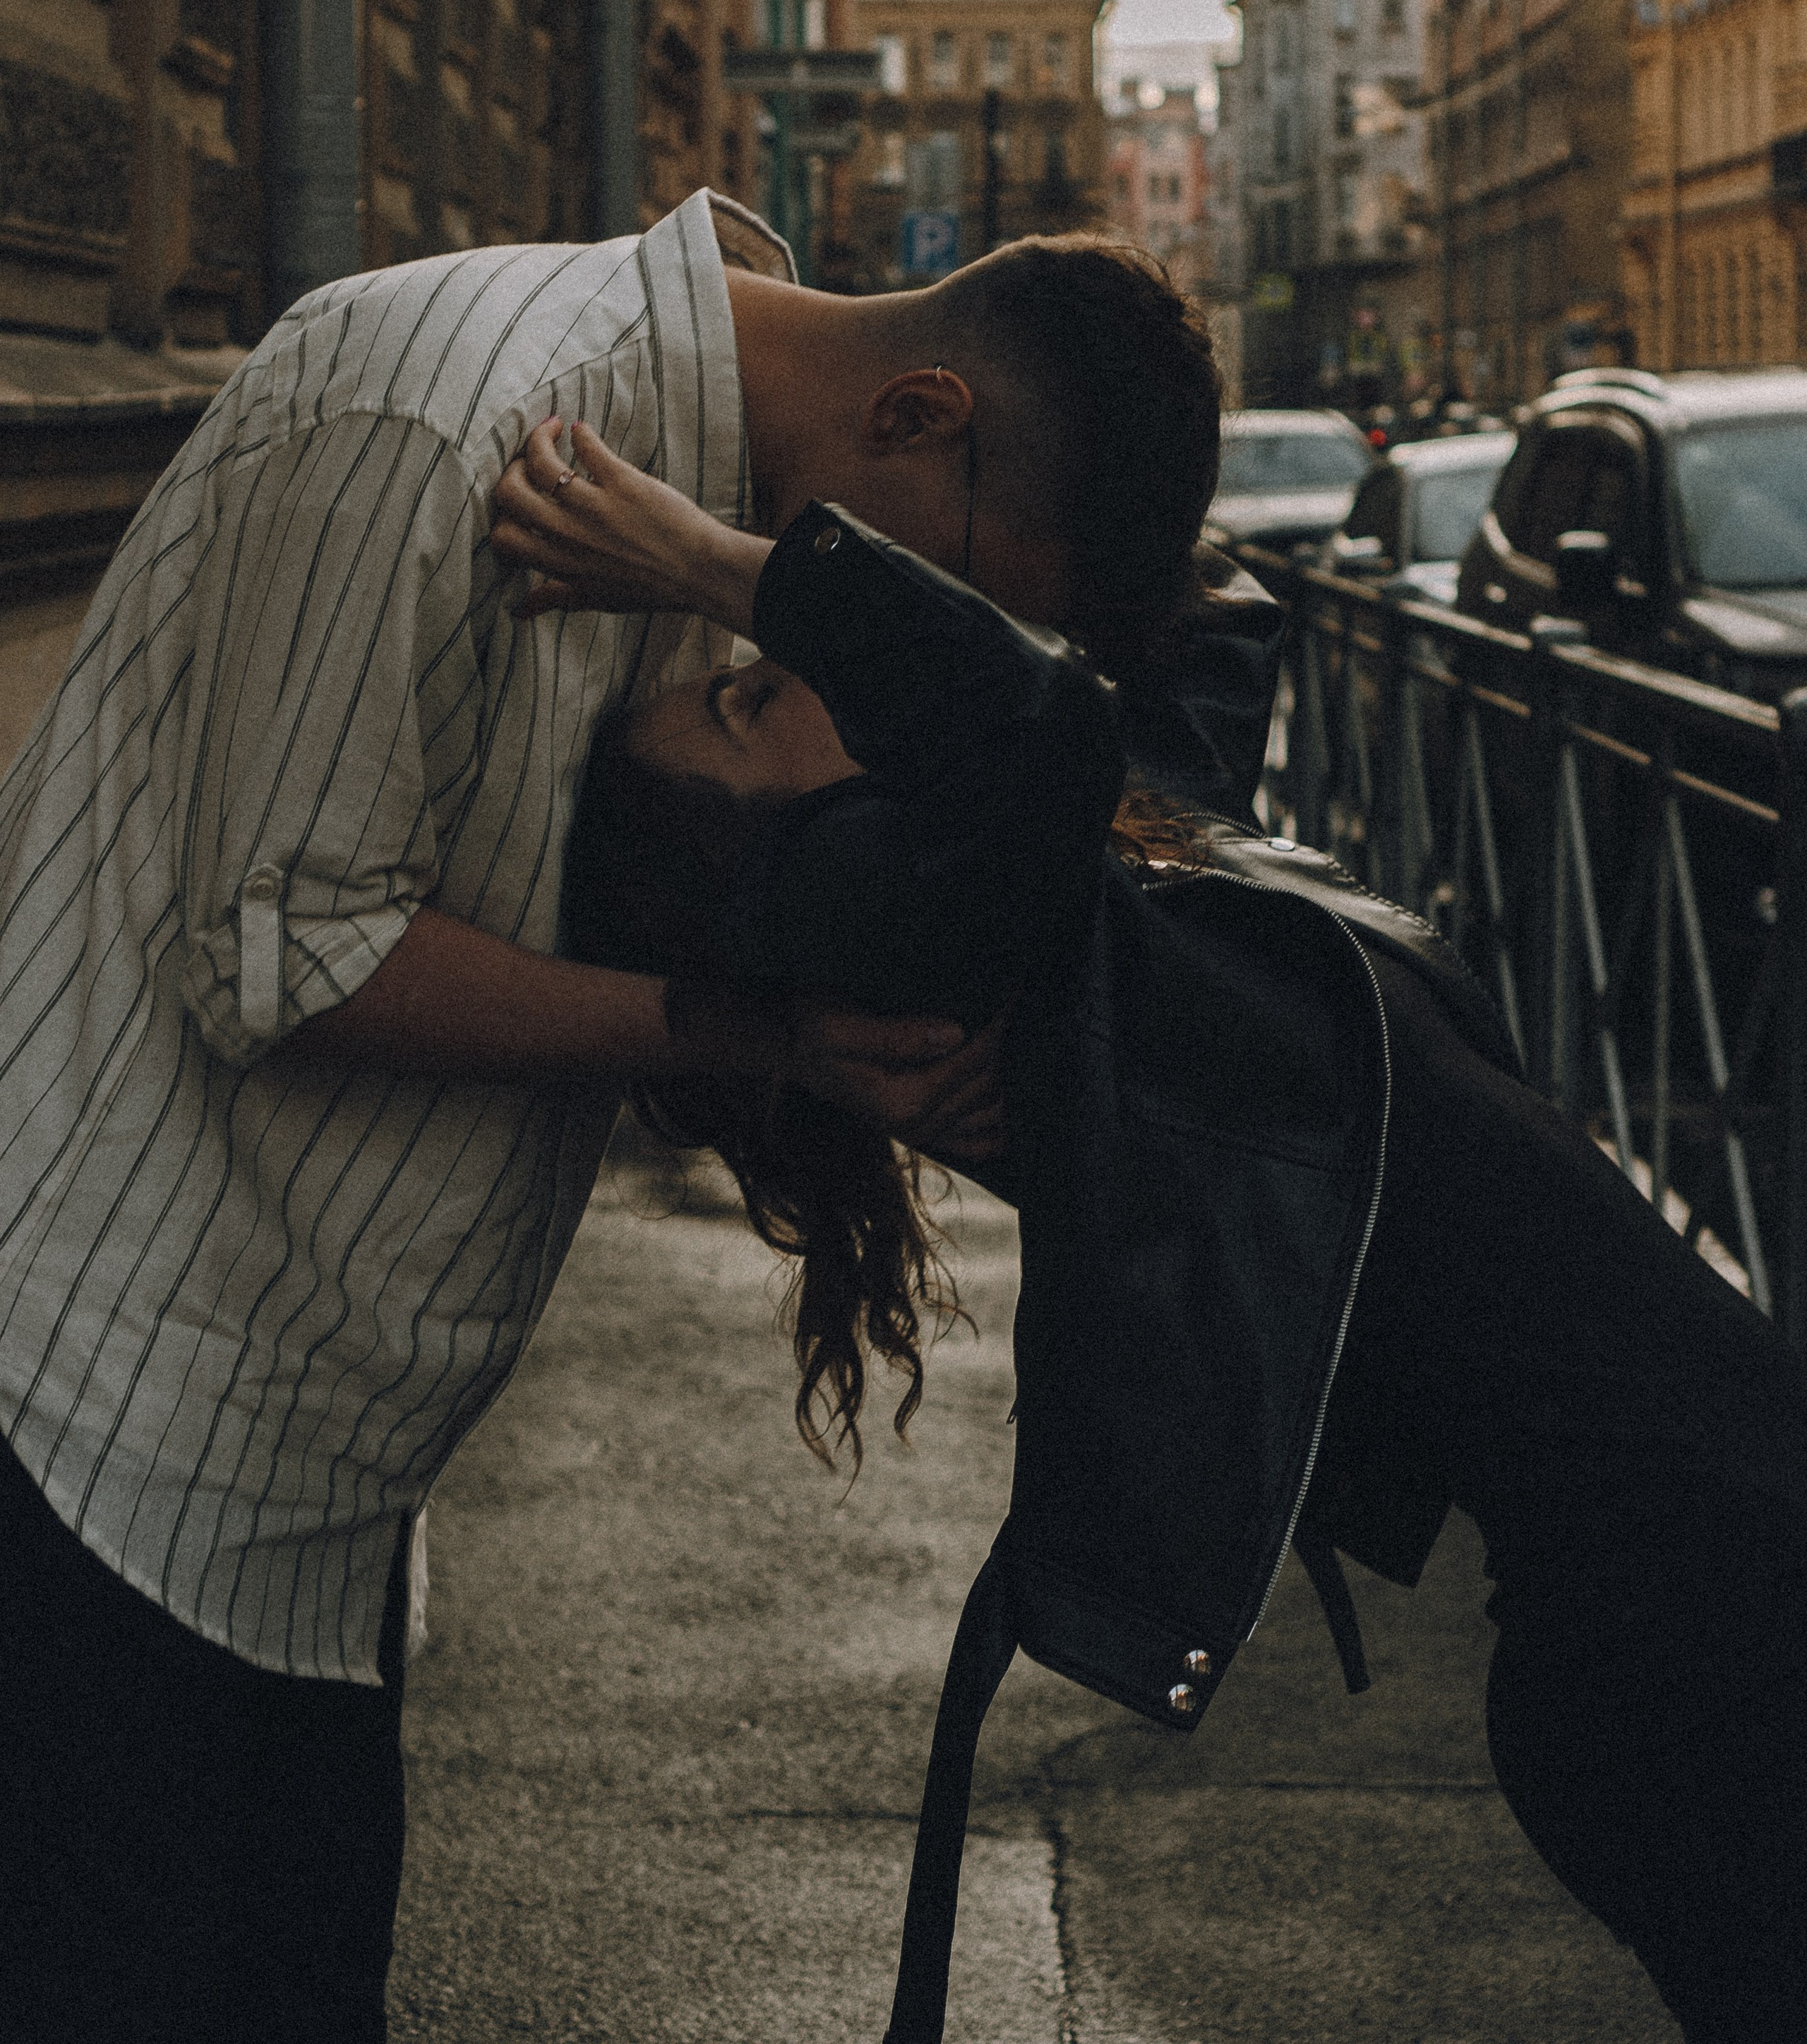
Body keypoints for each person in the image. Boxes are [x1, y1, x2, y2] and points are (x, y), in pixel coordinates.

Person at [0, 186, 1222, 2044]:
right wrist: (760, 1039)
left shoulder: (705, 503)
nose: (900, 654)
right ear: (917, 416)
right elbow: (289, 956)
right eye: (950, 593)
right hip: (100, 1411)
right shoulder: (445, 412)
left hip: (309, 1473)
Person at [510, 421, 1807, 2044]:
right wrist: (722, 564)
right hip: (1696, 1632)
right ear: (772, 864)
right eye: (744, 702)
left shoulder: (1091, 888)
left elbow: (1210, 613)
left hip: (1697, 1596)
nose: (788, 667)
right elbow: (1034, 722)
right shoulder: (903, 912)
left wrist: (924, 512)